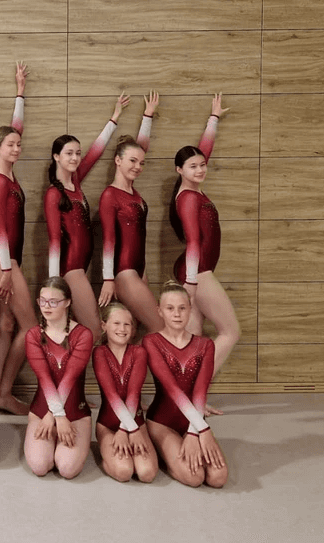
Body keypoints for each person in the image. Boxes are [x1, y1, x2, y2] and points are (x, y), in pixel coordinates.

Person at [170, 94, 239, 404]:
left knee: (194, 344)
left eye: (202, 165)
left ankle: (187, 398)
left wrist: (213, 119)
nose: (200, 169)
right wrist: (193, 285)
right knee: (230, 332)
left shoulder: (193, 188)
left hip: (193, 272)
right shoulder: (187, 199)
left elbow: (202, 152)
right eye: (193, 166)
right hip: (197, 272)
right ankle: (194, 396)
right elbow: (194, 241)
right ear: (179, 170)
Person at [44, 94, 130, 337]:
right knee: (94, 328)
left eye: (77, 153)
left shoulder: (77, 184)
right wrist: (53, 283)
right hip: (71, 268)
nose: (75, 158)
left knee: (79, 333)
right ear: (56, 156)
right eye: (69, 153)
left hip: (81, 265)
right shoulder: (53, 194)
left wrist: (114, 118)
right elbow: (53, 240)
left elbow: (96, 151)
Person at [0, 62, 35, 415]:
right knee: (31, 327)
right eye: (10, 145)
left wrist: (20, 93)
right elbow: (0, 228)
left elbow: (15, 128)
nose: (16, 148)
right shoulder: (0, 182)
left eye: (19, 144)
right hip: (5, 262)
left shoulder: (9, 176)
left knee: (6, 323)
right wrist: (6, 269)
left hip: (8, 261)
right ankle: (3, 393)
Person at [144, 282, 228, 488]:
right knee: (194, 477)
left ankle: (181, 446)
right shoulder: (151, 342)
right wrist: (202, 429)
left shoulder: (205, 345)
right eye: (170, 308)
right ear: (160, 311)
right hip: (162, 421)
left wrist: (193, 431)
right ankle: (165, 451)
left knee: (218, 478)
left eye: (182, 308)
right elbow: (172, 389)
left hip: (193, 422)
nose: (177, 314)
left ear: (190, 309)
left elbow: (200, 391)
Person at [97, 92, 163, 334]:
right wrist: (107, 279)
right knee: (161, 328)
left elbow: (140, 148)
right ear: (117, 160)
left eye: (142, 163)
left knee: (134, 335)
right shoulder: (110, 195)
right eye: (132, 161)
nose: (138, 167)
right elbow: (108, 240)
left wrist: (148, 116)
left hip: (139, 269)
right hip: (123, 273)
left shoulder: (134, 193)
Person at [24, 277, 93, 479]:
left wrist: (59, 416)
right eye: (43, 301)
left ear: (67, 302)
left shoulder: (83, 335)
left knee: (67, 469)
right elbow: (44, 378)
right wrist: (54, 415)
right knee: (39, 466)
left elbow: (70, 377)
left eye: (54, 302)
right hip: (41, 411)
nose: (47, 306)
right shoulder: (34, 335)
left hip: (75, 412)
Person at [92, 302, 157, 483]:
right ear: (104, 326)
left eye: (127, 324)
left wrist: (131, 428)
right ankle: (107, 459)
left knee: (147, 473)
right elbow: (111, 395)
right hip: (108, 424)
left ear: (133, 329)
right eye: (116, 323)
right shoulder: (99, 353)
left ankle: (126, 450)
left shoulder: (139, 352)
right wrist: (123, 429)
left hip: (136, 424)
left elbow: (134, 394)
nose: (122, 329)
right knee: (124, 472)